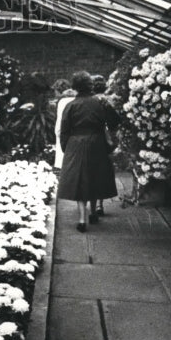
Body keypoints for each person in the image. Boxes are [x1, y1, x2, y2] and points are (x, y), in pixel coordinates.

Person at [58, 71, 120, 232]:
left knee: (80, 181)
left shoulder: (70, 105)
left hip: (75, 144)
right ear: (89, 85)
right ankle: (93, 212)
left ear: (75, 87)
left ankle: (81, 220)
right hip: (97, 143)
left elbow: (64, 130)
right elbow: (115, 122)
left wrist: (67, 148)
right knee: (95, 178)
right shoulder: (100, 103)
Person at [90, 74, 115, 216]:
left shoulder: (90, 101)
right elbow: (115, 121)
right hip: (105, 140)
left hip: (92, 138)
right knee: (102, 171)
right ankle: (99, 204)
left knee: (91, 171)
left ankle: (92, 203)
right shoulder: (108, 101)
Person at [53, 87, 77, 170]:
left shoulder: (62, 102)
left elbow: (60, 119)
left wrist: (57, 132)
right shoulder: (76, 101)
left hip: (64, 130)